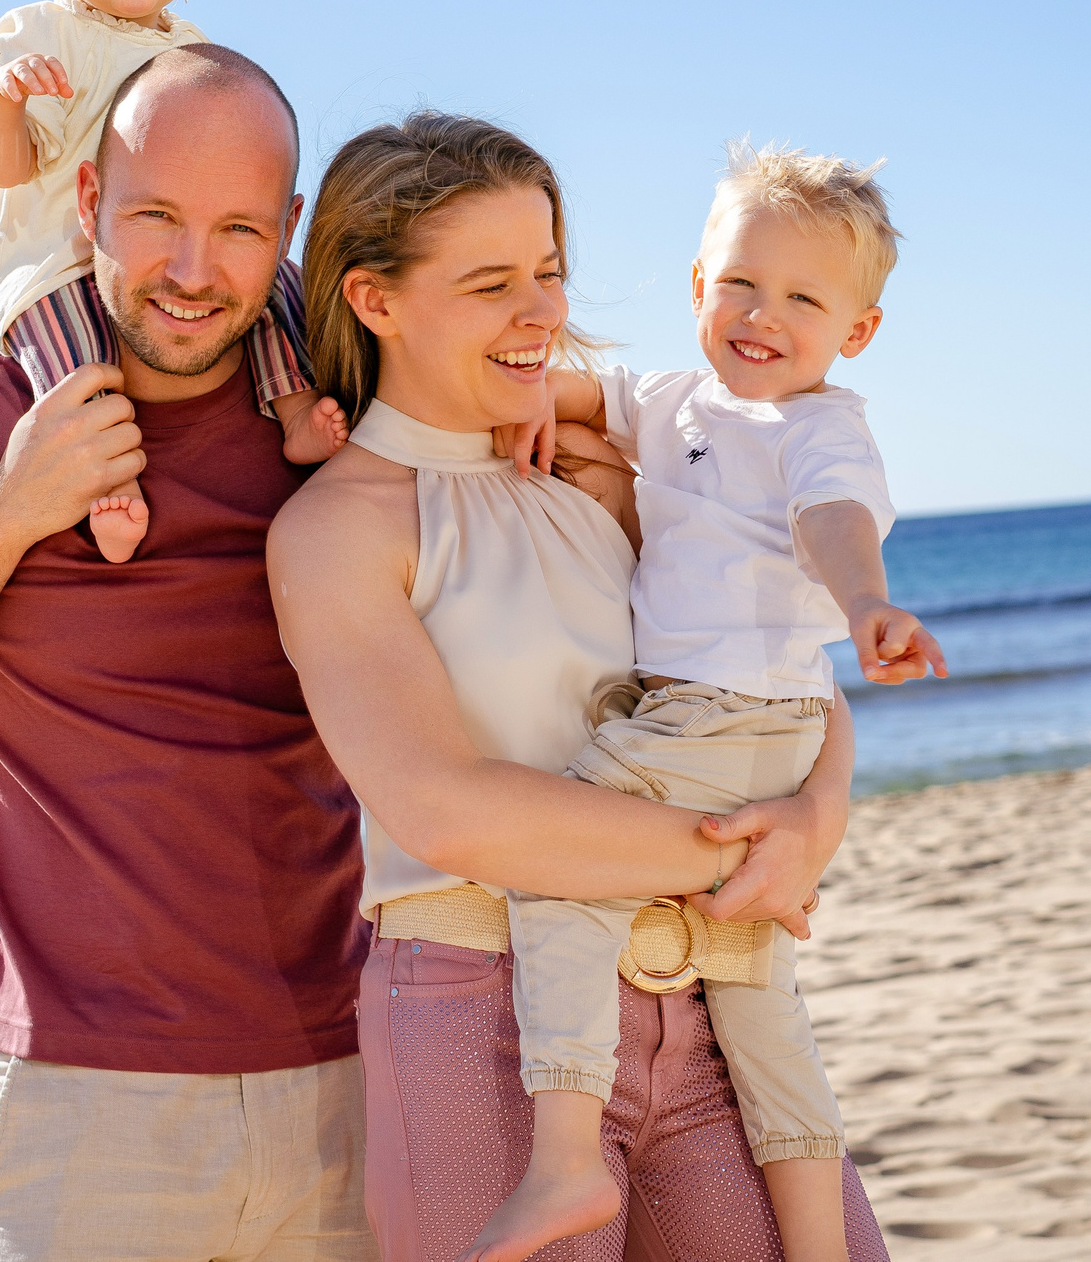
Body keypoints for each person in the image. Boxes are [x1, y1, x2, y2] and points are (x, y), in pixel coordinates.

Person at [0, 45, 372, 1261]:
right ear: (88, 201)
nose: (193, 273)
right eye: (154, 217)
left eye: (240, 229)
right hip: (82, 1105)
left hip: (351, 1076)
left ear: (290, 229)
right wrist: (9, 506)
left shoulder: (336, 410)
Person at [267, 112, 894, 1262]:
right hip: (476, 1016)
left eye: (549, 272)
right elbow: (443, 806)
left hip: (704, 1004)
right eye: (492, 282)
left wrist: (816, 817)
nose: (542, 314)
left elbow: (767, 675)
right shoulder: (338, 530)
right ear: (375, 301)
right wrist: (742, 857)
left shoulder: (606, 479)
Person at [480, 142, 948, 1261]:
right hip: (748, 734)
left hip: (722, 718)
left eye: (801, 298)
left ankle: (560, 1164)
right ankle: (817, 1247)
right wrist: (538, 402)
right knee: (755, 1008)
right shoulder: (676, 400)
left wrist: (868, 604)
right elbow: (567, 393)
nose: (760, 314)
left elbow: (829, 520)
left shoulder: (817, 428)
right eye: (738, 282)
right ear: (697, 287)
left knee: (553, 863)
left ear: (856, 332)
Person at [0, 0, 345, 562]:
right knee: (80, 376)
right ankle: (110, 487)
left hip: (167, 251)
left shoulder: (195, 53)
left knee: (266, 286)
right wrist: (3, 98)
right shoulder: (39, 35)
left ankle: (292, 403)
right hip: (55, 263)